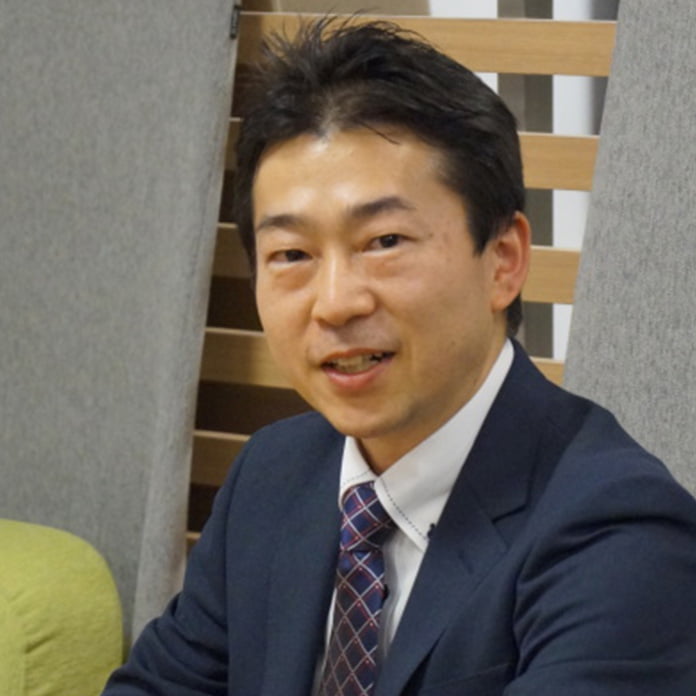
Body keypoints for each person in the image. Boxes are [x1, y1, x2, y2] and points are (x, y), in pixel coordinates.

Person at [102, 17, 696, 696]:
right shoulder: (274, 476)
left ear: (504, 261)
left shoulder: (620, 532)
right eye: (291, 254)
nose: (335, 304)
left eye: (384, 242)